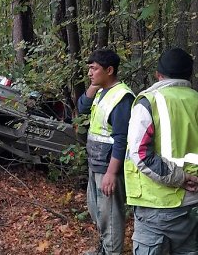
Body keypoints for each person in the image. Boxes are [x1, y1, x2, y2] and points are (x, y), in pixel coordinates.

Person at [125, 48, 198, 254]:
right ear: (189, 75)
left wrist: (181, 178)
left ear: (158, 74)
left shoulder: (150, 101)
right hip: (193, 207)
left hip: (158, 206)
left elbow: (140, 154)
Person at [77, 49, 135, 255]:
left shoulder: (122, 98)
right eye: (89, 69)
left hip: (109, 167)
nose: (90, 73)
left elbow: (122, 139)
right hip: (96, 163)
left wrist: (111, 173)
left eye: (94, 69)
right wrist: (93, 85)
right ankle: (103, 250)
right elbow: (82, 107)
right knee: (97, 212)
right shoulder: (102, 91)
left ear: (109, 70)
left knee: (110, 217)